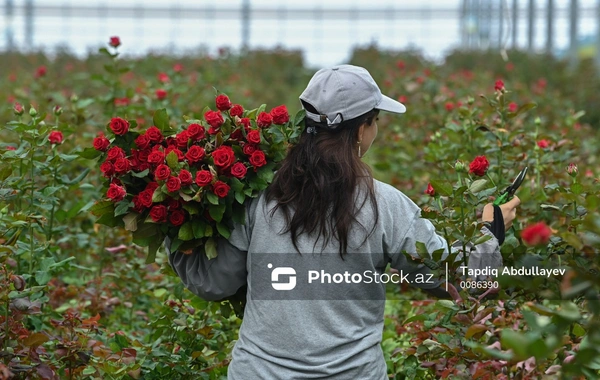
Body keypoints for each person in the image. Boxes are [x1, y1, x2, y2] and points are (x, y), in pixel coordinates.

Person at [166, 65, 521, 379]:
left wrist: (173, 218)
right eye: (376, 121)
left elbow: (214, 283)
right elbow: (451, 276)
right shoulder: (384, 205)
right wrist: (491, 230)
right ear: (361, 129)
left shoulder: (259, 197)